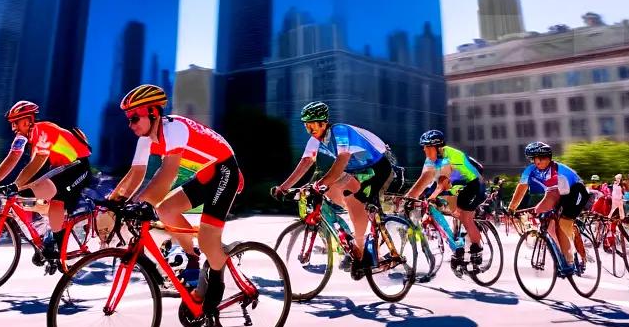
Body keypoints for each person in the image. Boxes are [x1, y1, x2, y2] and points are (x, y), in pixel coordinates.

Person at [110, 84, 242, 315]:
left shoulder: (174, 129)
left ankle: (215, 287)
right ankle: (192, 257)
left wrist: (143, 204)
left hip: (225, 170)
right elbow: (135, 174)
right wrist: (113, 203)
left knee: (207, 238)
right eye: (128, 119)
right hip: (206, 173)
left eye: (134, 118)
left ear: (153, 112)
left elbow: (168, 173)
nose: (130, 125)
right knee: (166, 209)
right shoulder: (145, 139)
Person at [271, 102, 393, 280]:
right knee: (334, 191)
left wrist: (321, 182)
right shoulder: (315, 140)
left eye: (313, 125)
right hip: (357, 169)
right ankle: (354, 243)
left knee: (357, 201)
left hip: (378, 166)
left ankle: (365, 252)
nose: (310, 129)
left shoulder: (340, 131)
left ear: (324, 123)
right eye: (307, 125)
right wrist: (283, 188)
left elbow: (342, 159)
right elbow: (306, 162)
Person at [0, 101, 93, 262]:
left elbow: (37, 162)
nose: (13, 128)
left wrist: (15, 185)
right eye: (12, 124)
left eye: (15, 123)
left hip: (78, 167)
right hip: (61, 169)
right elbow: (12, 158)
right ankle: (47, 234)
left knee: (53, 198)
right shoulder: (23, 136)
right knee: (26, 192)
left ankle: (58, 251)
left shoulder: (44, 130)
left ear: (27, 120)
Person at [401, 130, 484, 277]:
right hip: (456, 186)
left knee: (465, 217)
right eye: (423, 147)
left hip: (473, 184)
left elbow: (443, 183)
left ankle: (477, 251)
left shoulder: (448, 157)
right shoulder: (430, 161)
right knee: (449, 210)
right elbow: (423, 181)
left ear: (438, 147)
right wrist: (407, 199)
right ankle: (458, 246)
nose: (424, 149)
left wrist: (431, 197)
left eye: (427, 146)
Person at [506, 142, 589, 274]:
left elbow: (552, 196)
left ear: (549, 158)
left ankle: (573, 256)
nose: (539, 161)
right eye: (535, 158)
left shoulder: (555, 170)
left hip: (576, 190)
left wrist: (538, 210)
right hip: (560, 193)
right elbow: (522, 187)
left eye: (543, 157)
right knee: (550, 228)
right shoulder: (530, 170)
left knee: (563, 223)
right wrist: (512, 208)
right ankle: (565, 256)